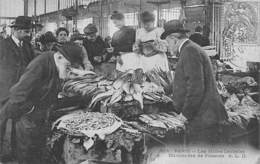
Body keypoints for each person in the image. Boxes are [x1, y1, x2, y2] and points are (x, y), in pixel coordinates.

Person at [0, 42, 84, 164]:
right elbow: (18, 93)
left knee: (38, 151)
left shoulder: (57, 61)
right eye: (68, 66)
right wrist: (29, 110)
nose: (69, 69)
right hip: (27, 117)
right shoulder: (40, 64)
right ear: (60, 57)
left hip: (40, 114)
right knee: (27, 154)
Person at [161, 20, 228, 144]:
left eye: (167, 43)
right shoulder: (190, 49)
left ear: (174, 39)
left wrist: (185, 114)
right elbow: (186, 79)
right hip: (203, 117)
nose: (167, 47)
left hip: (204, 119)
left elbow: (196, 87)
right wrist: (164, 90)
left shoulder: (189, 51)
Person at [0, 16, 35, 162]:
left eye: (28, 31)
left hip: (21, 92)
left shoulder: (27, 45)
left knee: (18, 125)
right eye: (26, 31)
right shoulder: (2, 45)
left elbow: (31, 65)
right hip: (3, 91)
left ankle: (15, 155)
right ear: (16, 30)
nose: (28, 34)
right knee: (0, 123)